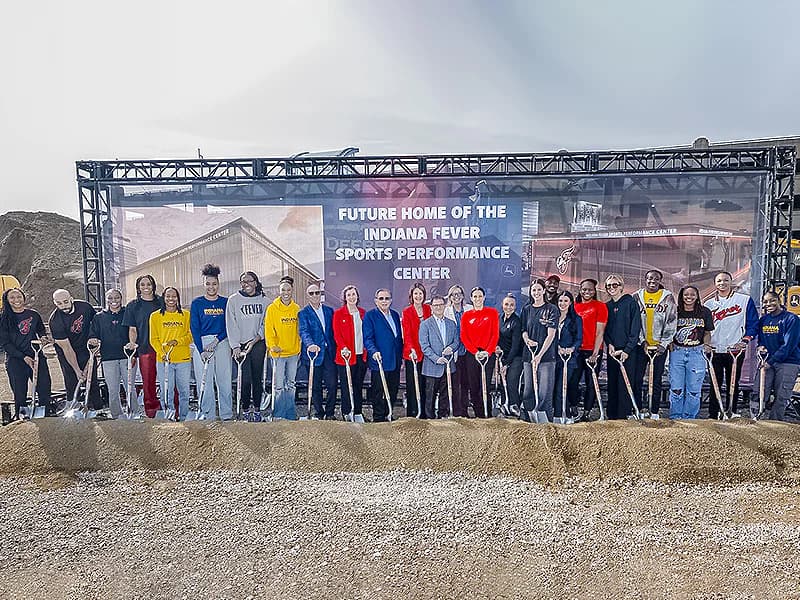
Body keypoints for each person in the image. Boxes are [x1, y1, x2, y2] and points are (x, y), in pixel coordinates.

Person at [703, 271, 759, 419]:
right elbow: (703, 328)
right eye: (719, 281)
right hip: (714, 349)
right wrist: (706, 344)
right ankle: (713, 414)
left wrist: (745, 340)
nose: (722, 283)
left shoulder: (744, 300)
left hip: (735, 349)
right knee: (715, 383)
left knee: (733, 382)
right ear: (715, 283)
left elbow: (753, 323)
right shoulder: (708, 304)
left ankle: (731, 411)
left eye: (726, 280)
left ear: (731, 281)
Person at [0, 288, 52, 418]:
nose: (16, 300)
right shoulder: (3, 318)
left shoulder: (33, 315)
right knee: (20, 392)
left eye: (19, 296)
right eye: (12, 298)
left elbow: (41, 330)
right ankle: (23, 418)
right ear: (7, 301)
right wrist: (24, 357)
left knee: (44, 387)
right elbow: (5, 344)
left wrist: (43, 338)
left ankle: (44, 416)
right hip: (16, 360)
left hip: (36, 357)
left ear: (24, 297)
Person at [190, 264, 232, 420]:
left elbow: (229, 326)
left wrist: (216, 341)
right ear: (203, 284)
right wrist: (201, 351)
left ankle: (226, 414)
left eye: (214, 283)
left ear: (218, 284)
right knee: (205, 381)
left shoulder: (226, 302)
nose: (211, 287)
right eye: (208, 284)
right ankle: (208, 415)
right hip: (202, 344)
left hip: (221, 342)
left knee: (224, 380)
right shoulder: (197, 303)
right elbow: (194, 328)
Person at [633, 270, 677, 418]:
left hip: (659, 347)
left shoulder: (667, 297)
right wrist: (642, 340)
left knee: (656, 379)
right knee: (637, 378)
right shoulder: (637, 296)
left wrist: (664, 344)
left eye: (656, 279)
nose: (652, 281)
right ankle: (637, 409)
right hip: (641, 346)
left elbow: (671, 321)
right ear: (645, 279)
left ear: (660, 280)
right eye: (650, 278)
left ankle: (654, 411)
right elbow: (634, 322)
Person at [751, 291, 800, 421]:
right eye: (766, 302)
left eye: (772, 300)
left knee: (781, 396)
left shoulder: (791, 319)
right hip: (767, 362)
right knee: (758, 391)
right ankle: (755, 420)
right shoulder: (764, 320)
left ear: (779, 301)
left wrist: (771, 361)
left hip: (788, 362)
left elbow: (789, 345)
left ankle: (775, 425)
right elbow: (761, 340)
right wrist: (760, 347)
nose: (769, 304)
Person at [49, 289, 102, 410]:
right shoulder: (55, 321)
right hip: (67, 351)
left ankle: (98, 409)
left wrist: (96, 341)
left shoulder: (85, 307)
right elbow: (67, 348)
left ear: (71, 299)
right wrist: (78, 371)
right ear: (55, 303)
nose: (63, 306)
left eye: (66, 302)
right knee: (71, 379)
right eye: (59, 303)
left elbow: (97, 324)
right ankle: (74, 408)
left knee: (91, 379)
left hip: (87, 348)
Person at [226, 271, 269, 417]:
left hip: (257, 343)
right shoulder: (233, 300)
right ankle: (245, 410)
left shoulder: (265, 301)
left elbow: (265, 323)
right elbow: (231, 324)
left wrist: (256, 339)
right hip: (240, 345)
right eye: (243, 282)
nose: (246, 284)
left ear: (256, 282)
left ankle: (257, 410)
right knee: (244, 379)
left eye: (249, 281)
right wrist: (236, 346)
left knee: (257, 378)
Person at [669, 285, 714, 419]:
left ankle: (690, 419)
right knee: (676, 388)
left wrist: (706, 345)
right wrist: (669, 342)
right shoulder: (675, 311)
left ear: (697, 296)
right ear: (681, 296)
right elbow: (668, 329)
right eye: (686, 294)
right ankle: (676, 417)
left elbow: (707, 332)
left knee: (694, 389)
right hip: (677, 352)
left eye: (692, 294)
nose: (689, 297)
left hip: (696, 353)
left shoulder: (704, 312)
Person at [149, 286, 192, 420]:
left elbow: (190, 335)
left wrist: (177, 341)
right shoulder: (155, 316)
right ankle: (170, 415)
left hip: (183, 360)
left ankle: (184, 416)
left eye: (174, 296)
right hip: (164, 361)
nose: (171, 299)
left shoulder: (185, 315)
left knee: (184, 391)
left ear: (178, 298)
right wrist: (162, 353)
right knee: (166, 390)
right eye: (168, 296)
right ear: (164, 298)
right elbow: (153, 339)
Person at [123, 274, 162, 418]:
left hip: (164, 348)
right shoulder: (133, 306)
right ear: (138, 288)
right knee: (148, 381)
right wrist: (133, 344)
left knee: (168, 379)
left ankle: (170, 406)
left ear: (153, 286)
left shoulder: (161, 302)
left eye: (149, 284)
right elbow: (132, 329)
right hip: (145, 348)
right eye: (143, 285)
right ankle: (151, 409)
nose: (146, 287)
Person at [603, 274, 642, 420]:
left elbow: (635, 328)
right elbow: (605, 330)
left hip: (628, 352)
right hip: (613, 352)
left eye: (615, 285)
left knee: (625, 384)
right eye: (609, 286)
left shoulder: (630, 303)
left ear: (621, 286)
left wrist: (627, 350)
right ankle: (612, 416)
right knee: (612, 383)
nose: (612, 288)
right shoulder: (607, 306)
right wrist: (610, 345)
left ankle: (624, 415)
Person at [88, 289, 131, 418]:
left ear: (121, 298)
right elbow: (93, 334)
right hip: (108, 358)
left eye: (116, 298)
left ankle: (134, 412)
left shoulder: (127, 313)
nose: (114, 301)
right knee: (113, 389)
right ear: (106, 300)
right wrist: (93, 339)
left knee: (130, 387)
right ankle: (117, 414)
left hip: (127, 356)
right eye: (110, 298)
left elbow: (134, 331)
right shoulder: (99, 317)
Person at [520, 279, 559, 422]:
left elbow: (551, 335)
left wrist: (540, 355)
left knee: (544, 392)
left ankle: (545, 422)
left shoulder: (552, 309)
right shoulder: (526, 309)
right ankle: (529, 419)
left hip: (547, 358)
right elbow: (523, 329)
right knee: (528, 391)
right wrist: (527, 340)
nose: (536, 292)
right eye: (533, 290)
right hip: (528, 356)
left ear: (544, 291)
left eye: (538, 289)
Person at [298, 282, 337, 420]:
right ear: (307, 296)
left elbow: (334, 331)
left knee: (332, 385)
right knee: (315, 387)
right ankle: (319, 413)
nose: (315, 295)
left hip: (329, 354)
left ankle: (330, 413)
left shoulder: (329, 311)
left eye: (317, 292)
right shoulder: (303, 313)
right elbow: (303, 331)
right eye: (311, 293)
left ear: (321, 294)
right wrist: (310, 345)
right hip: (313, 355)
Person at [364, 288, 403, 422]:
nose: (384, 301)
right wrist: (373, 351)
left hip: (395, 360)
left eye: (387, 298)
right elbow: (368, 338)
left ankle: (388, 414)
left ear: (391, 300)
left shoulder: (395, 315)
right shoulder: (370, 316)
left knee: (393, 389)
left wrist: (401, 357)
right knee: (378, 391)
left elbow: (398, 338)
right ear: (376, 301)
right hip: (379, 360)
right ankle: (378, 418)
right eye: (381, 298)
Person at [460, 286, 499, 419]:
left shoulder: (492, 313)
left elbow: (495, 335)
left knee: (485, 386)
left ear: (484, 297)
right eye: (475, 296)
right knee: (474, 386)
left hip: (488, 355)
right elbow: (464, 336)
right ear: (471, 298)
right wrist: (475, 352)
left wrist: (488, 352)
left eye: (480, 296)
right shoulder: (467, 316)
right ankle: (478, 415)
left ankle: (487, 416)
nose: (477, 299)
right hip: (472, 355)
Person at [265, 276, 301, 420]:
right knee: (278, 386)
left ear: (292, 291)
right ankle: (278, 414)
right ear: (279, 291)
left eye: (288, 290)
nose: (286, 292)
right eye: (283, 290)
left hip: (292, 353)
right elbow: (268, 330)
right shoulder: (272, 309)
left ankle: (290, 414)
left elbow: (299, 330)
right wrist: (273, 346)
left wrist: (298, 346)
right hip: (278, 354)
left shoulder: (296, 308)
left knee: (291, 385)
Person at [418, 294, 459, 418]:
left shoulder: (451, 324)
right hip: (431, 367)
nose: (438, 307)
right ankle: (429, 421)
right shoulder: (425, 324)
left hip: (448, 366)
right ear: (431, 307)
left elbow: (456, 342)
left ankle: (443, 418)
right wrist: (437, 359)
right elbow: (424, 346)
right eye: (435, 305)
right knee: (429, 396)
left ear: (445, 305)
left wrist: (451, 348)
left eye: (441, 304)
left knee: (445, 395)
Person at [574, 279, 607, 421]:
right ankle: (573, 408)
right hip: (576, 351)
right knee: (572, 381)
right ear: (580, 290)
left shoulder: (600, 306)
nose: (587, 292)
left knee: (591, 382)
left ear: (594, 291)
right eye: (584, 289)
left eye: (590, 290)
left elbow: (600, 332)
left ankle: (587, 412)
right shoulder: (574, 306)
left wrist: (595, 353)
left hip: (592, 351)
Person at [333, 285, 367, 421]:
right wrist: (343, 348)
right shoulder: (338, 314)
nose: (352, 297)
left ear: (357, 297)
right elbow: (337, 335)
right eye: (349, 295)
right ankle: (347, 412)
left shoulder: (364, 313)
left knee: (358, 386)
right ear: (345, 298)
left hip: (361, 356)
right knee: (347, 386)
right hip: (346, 357)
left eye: (354, 294)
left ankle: (358, 412)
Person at [401, 282, 432, 417]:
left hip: (427, 354)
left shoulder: (428, 309)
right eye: (416, 294)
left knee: (425, 384)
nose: (418, 296)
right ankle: (413, 414)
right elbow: (406, 334)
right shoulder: (407, 312)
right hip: (412, 354)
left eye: (420, 293)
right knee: (413, 384)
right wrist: (411, 349)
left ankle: (424, 413)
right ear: (411, 296)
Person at [444, 284, 472, 417]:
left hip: (468, 352)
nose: (456, 296)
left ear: (463, 295)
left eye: (459, 293)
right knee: (455, 384)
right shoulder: (446, 311)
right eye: (453, 294)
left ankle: (465, 411)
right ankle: (456, 412)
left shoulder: (470, 309)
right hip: (454, 353)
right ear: (450, 297)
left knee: (466, 383)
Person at [554, 291, 583, 420]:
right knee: (553, 387)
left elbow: (579, 339)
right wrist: (557, 347)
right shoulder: (553, 317)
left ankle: (562, 415)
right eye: (560, 301)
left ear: (571, 302)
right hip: (553, 357)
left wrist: (571, 349)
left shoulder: (576, 319)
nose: (562, 304)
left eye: (566, 301)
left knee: (562, 386)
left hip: (569, 359)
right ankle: (556, 413)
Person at [495, 293, 523, 415]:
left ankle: (514, 405)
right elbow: (496, 336)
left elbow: (516, 346)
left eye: (512, 305)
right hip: (503, 356)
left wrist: (506, 364)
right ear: (502, 305)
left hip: (516, 357)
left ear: (515, 307)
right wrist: (496, 347)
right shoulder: (499, 318)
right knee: (503, 381)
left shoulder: (516, 322)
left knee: (511, 381)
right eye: (506, 304)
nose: (509, 307)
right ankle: (504, 404)